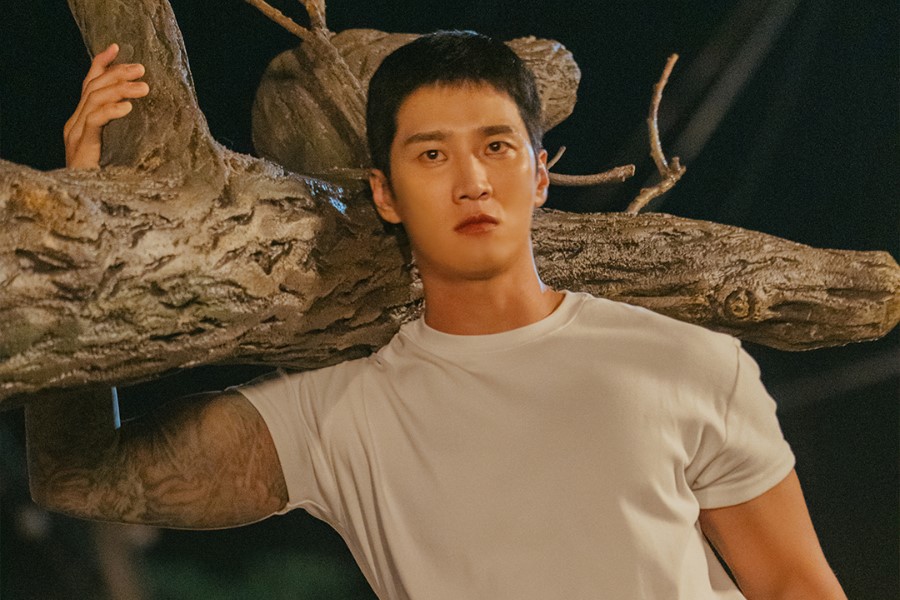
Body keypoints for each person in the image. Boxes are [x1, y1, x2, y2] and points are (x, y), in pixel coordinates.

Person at [27, 32, 846, 599]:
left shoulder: (687, 361)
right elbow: (80, 474)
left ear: (539, 175)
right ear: (384, 192)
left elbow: (792, 584)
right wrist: (88, 215)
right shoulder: (341, 417)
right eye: (431, 154)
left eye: (496, 147)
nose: (472, 180)